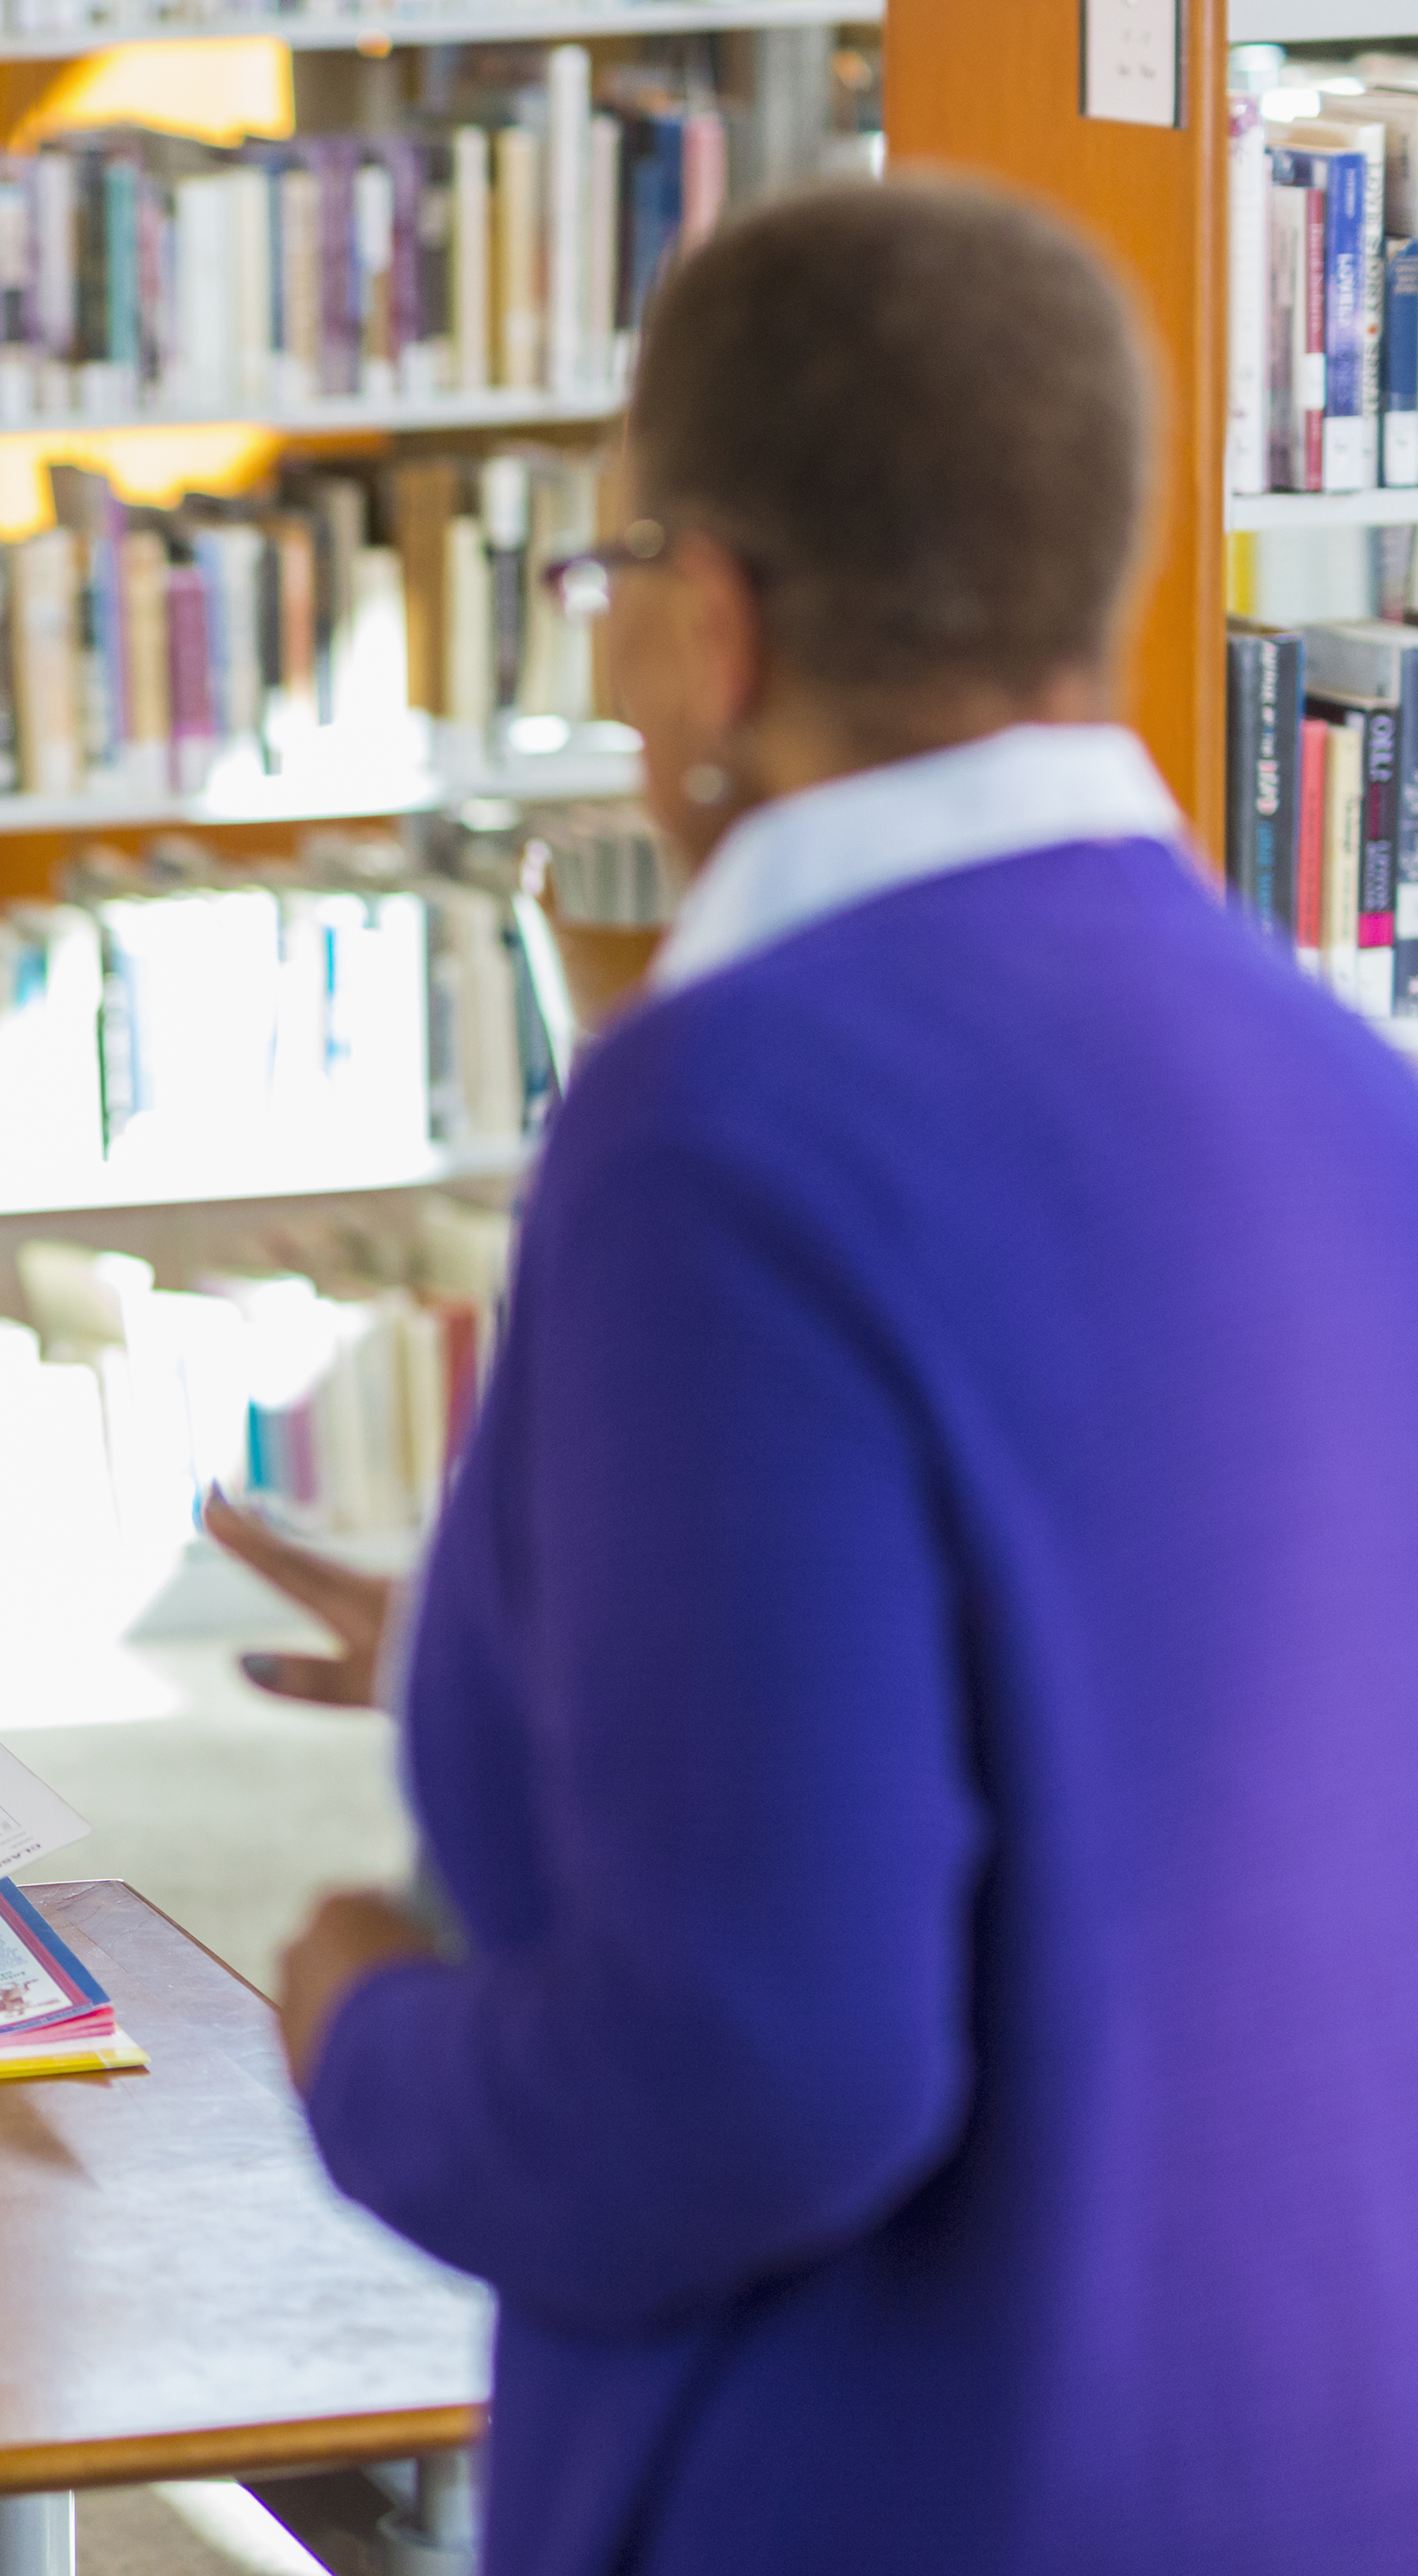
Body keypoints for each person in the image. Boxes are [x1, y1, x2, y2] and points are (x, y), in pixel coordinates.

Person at [222, 180, 1418, 2572]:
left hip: (889, 2469)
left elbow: (757, 2068)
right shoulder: (1337, 1086)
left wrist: (362, 2033)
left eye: (609, 580)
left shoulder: (716, 1114)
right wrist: (522, 1658)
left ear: (715, 615)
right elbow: (1161, 1688)